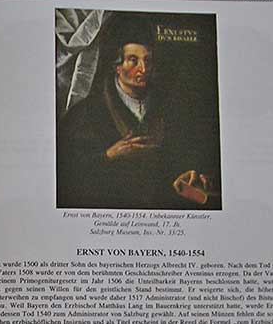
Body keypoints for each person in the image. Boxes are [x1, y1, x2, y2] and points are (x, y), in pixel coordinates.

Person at [56, 29, 216, 209]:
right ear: (117, 66)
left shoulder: (173, 106)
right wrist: (109, 156)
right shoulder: (85, 113)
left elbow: (186, 158)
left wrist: (188, 176)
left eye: (147, 61)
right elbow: (66, 173)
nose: (144, 69)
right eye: (133, 60)